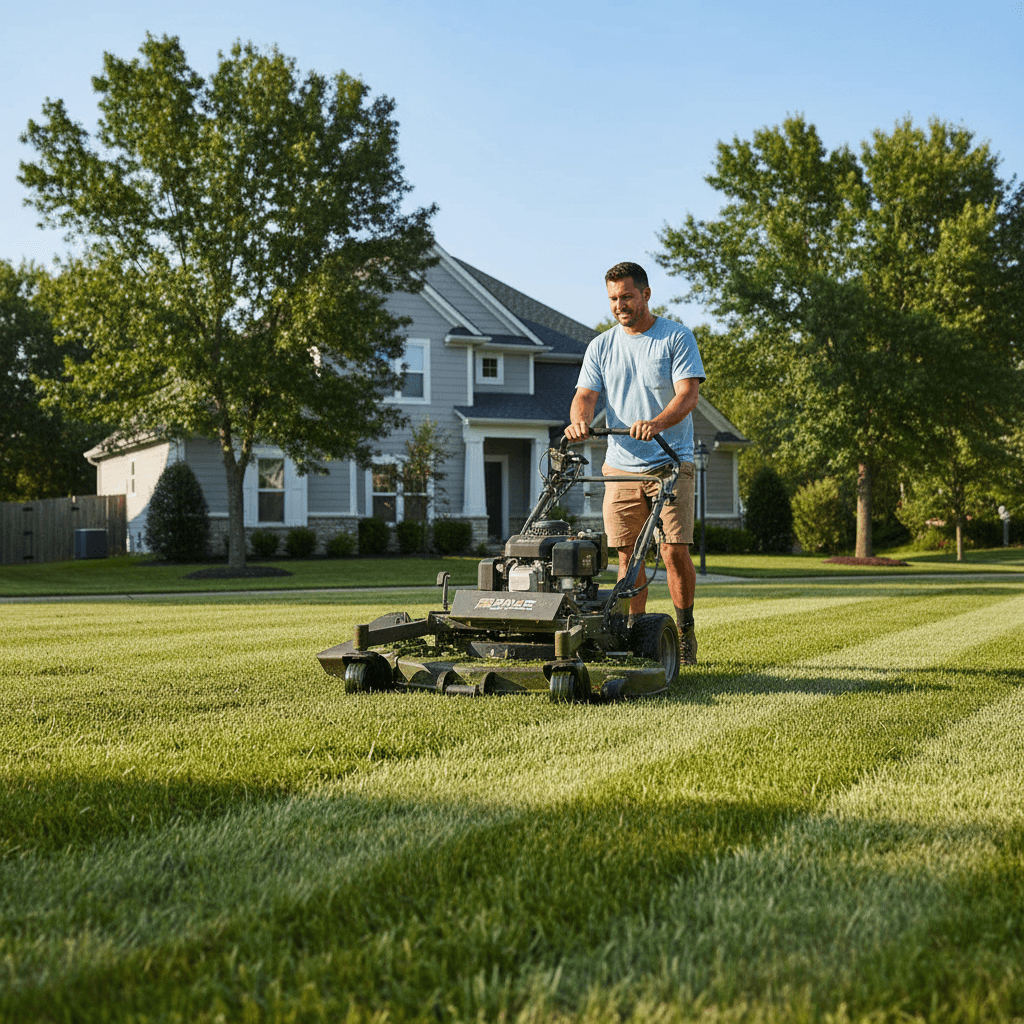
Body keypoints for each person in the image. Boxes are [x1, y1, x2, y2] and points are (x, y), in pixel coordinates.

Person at [564, 261, 705, 664]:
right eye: (613, 298)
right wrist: (580, 423)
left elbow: (688, 395)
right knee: (628, 555)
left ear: (646, 293)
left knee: (674, 550)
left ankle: (684, 632)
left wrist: (656, 423)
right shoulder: (601, 346)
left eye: (626, 296)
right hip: (621, 465)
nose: (619, 305)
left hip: (670, 462)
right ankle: (636, 637)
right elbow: (586, 396)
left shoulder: (675, 337)